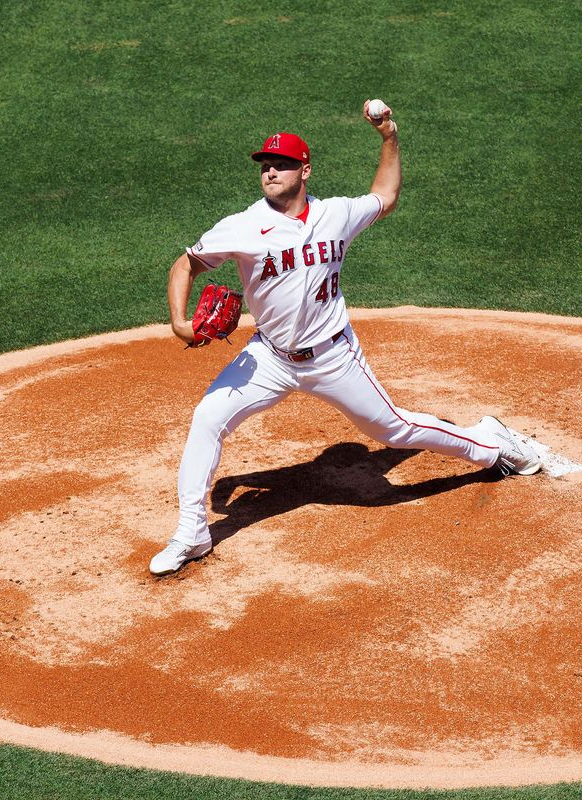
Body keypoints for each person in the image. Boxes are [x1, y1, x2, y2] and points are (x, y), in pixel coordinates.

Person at [151, 101, 542, 576]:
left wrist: (389, 137)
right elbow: (185, 263)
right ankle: (192, 531)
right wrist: (178, 322)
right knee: (208, 417)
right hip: (269, 357)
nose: (271, 170)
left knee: (393, 431)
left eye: (283, 163)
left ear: (305, 169)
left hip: (333, 357)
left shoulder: (336, 215)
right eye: (265, 165)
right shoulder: (242, 226)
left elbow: (385, 195)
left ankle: (492, 445)